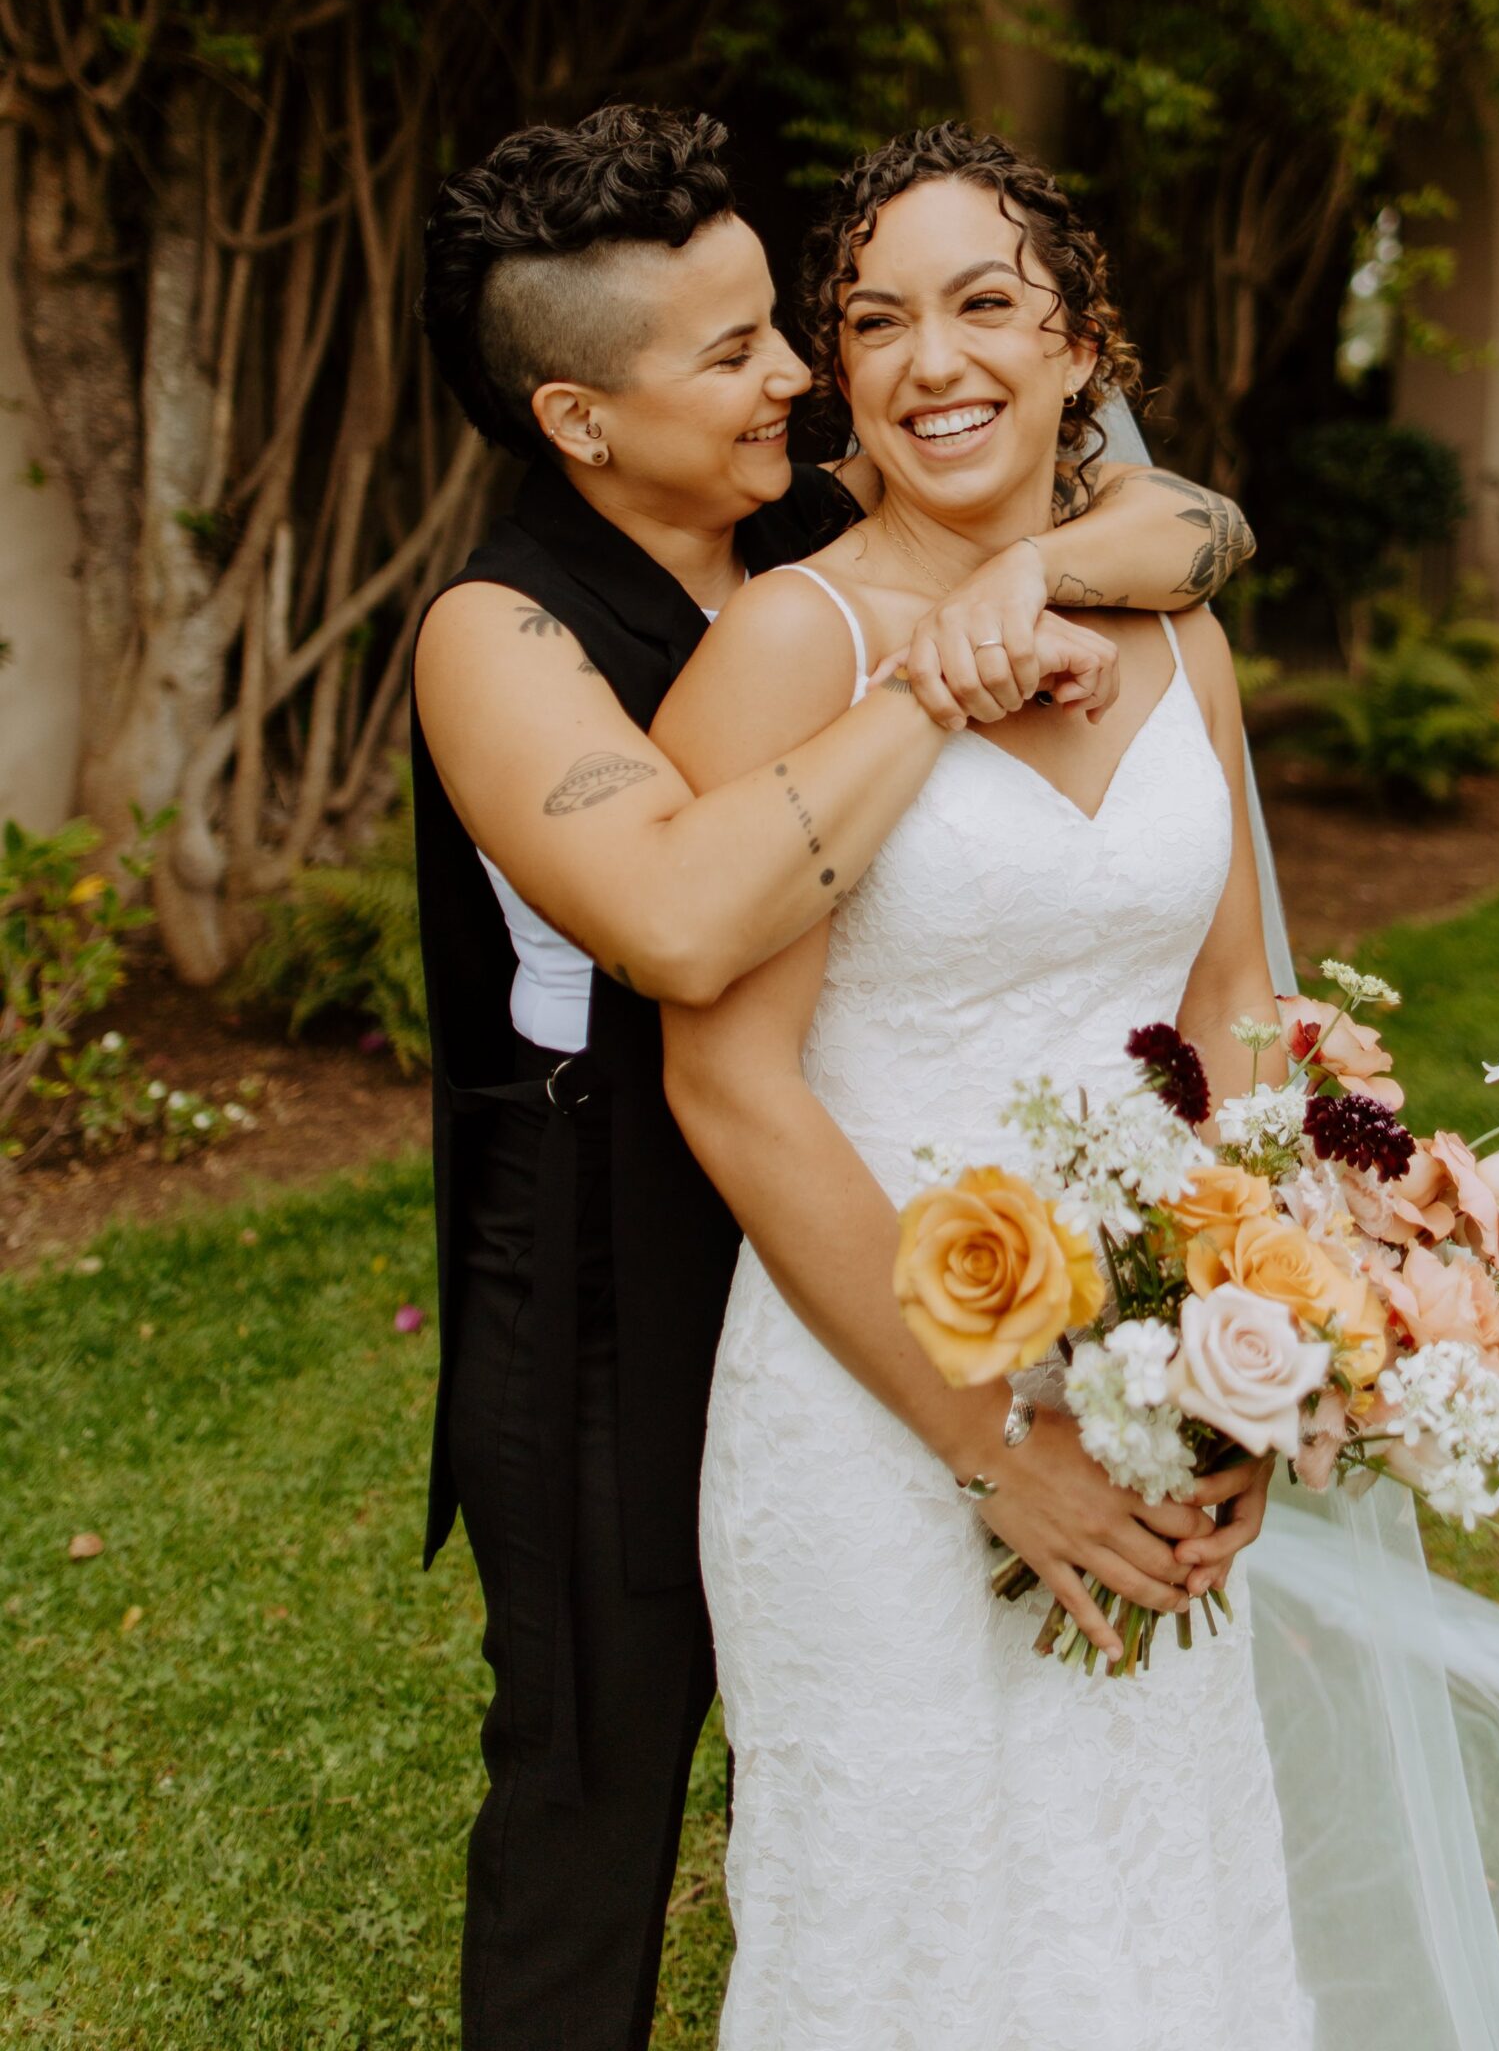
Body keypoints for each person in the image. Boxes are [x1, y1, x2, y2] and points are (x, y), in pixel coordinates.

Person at [411, 105, 1259, 2050]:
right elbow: (683, 932)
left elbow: (1182, 520)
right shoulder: (502, 631)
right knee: (597, 1781)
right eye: (736, 351)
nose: (801, 370)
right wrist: (951, 665)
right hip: (609, 1256)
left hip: (896, 1202)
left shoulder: (813, 524)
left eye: (795, 329)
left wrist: (1084, 543)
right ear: (579, 418)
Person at [657, 122, 1301, 2049]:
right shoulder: (800, 640)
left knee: (1146, 1911)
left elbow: (1242, 1010)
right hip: (874, 1425)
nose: (933, 358)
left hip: (1136, 1396)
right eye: (875, 320)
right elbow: (730, 1081)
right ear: (839, 380)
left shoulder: (1179, 632)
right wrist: (989, 1444)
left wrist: (1248, 1362)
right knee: (913, 1942)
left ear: (1077, 346)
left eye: (984, 304)